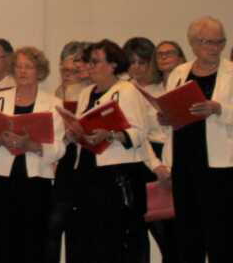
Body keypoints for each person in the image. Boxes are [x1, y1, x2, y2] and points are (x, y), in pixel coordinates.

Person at [0, 46, 65, 263]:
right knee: (1, 243)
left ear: (40, 71)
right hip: (1, 178)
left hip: (36, 180)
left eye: (29, 67)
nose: (22, 71)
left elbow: (59, 149)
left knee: (34, 243)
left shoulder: (53, 105)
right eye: (18, 66)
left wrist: (32, 146)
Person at [69, 39, 149, 262]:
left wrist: (110, 134)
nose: (90, 66)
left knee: (116, 240)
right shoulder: (86, 93)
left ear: (113, 64)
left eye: (95, 62)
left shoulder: (127, 90)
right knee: (91, 239)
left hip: (117, 174)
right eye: (89, 62)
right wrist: (73, 133)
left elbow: (140, 133)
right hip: (88, 170)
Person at [160, 16, 232, 263]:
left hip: (218, 165)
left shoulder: (231, 72)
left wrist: (219, 108)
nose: (216, 48)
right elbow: (172, 105)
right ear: (192, 43)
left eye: (220, 42)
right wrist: (165, 117)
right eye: (208, 42)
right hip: (184, 160)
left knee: (220, 232)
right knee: (188, 232)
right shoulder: (179, 72)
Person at [124, 37, 180, 263]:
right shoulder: (125, 89)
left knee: (167, 231)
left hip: (162, 157)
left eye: (142, 62)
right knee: (136, 232)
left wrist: (162, 164)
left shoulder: (164, 87)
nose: (136, 68)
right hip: (137, 158)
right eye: (132, 62)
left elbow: (171, 132)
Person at [47, 41, 87, 263]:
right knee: (55, 223)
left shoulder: (91, 91)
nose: (68, 73)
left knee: (79, 227)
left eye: (75, 68)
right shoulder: (59, 92)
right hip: (65, 160)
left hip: (87, 160)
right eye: (64, 69)